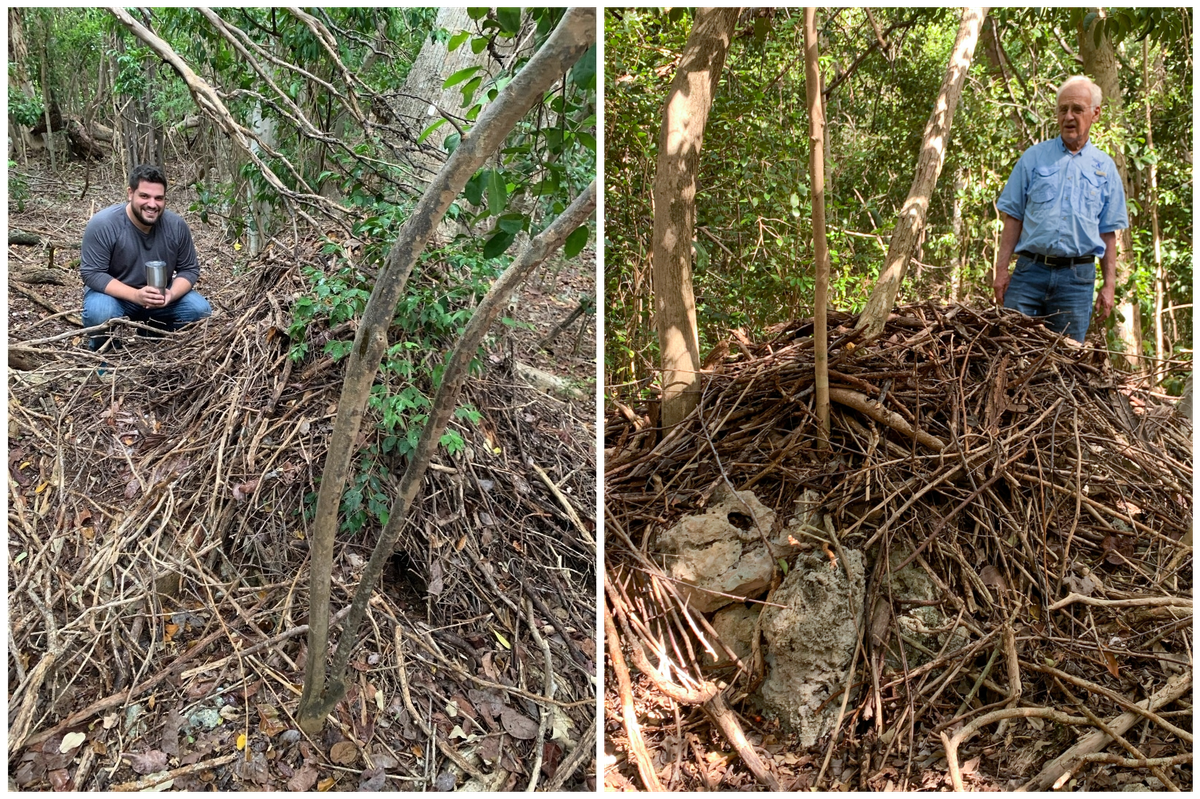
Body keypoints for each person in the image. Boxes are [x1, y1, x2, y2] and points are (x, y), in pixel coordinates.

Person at [992, 75, 1128, 343]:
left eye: (1077, 109)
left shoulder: (1105, 168)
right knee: (1010, 348)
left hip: (1076, 280)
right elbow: (1013, 217)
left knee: (1066, 361)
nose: (1069, 116)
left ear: (1095, 114)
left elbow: (1108, 233)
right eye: (1063, 109)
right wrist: (1001, 270)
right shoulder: (1034, 158)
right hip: (1029, 272)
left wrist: (1109, 286)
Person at [81, 164, 212, 350]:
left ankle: (153, 334)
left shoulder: (176, 226)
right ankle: (105, 352)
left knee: (200, 311)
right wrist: (135, 295)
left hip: (160, 296)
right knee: (100, 312)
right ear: (130, 193)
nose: (152, 204)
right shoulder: (104, 224)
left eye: (159, 198)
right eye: (144, 196)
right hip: (115, 295)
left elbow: (189, 269)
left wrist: (171, 294)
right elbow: (92, 273)